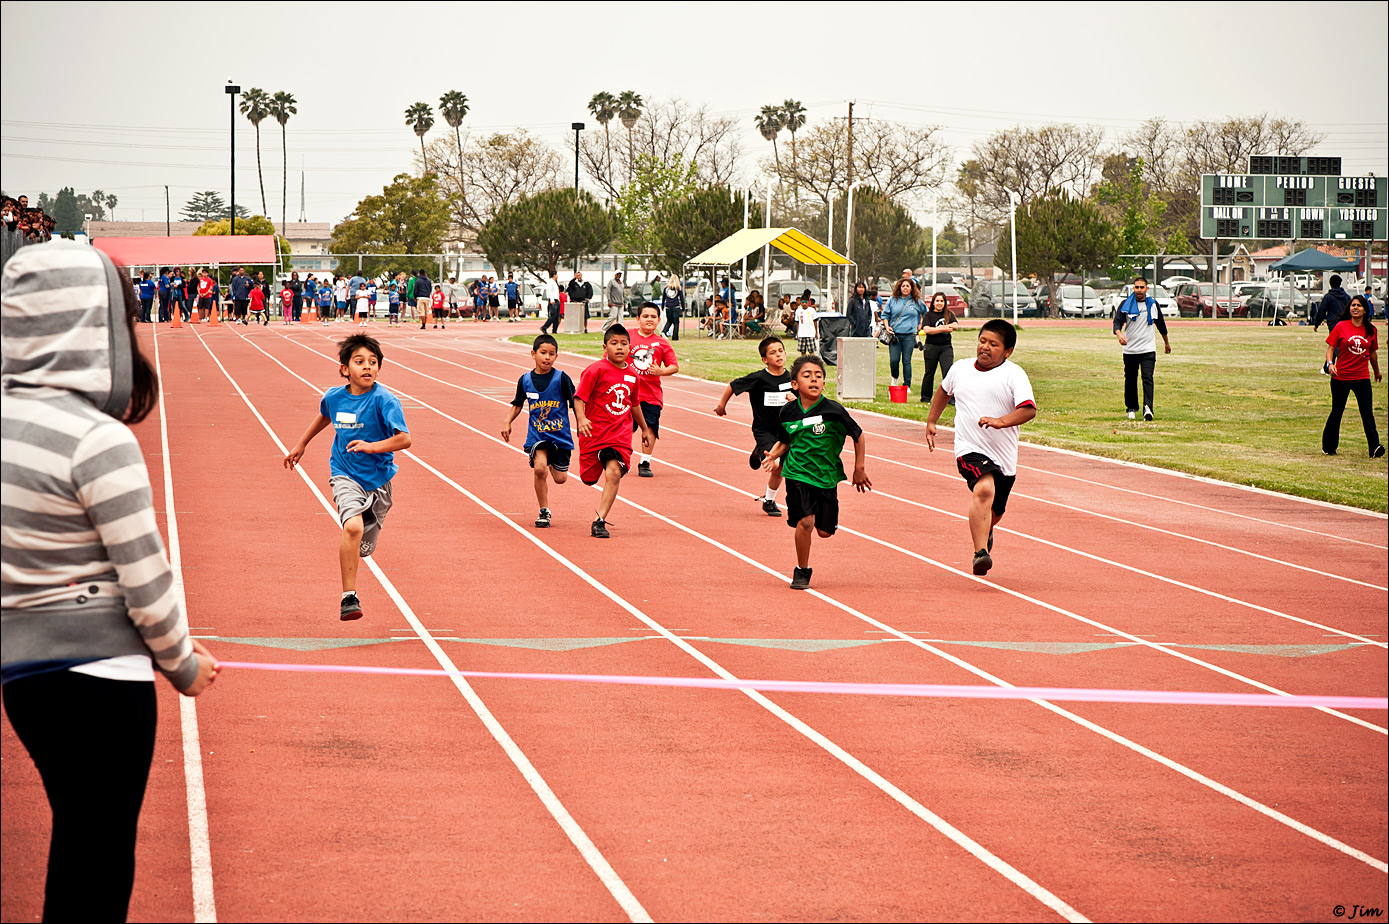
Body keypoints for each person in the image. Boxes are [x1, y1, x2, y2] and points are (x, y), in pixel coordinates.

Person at [1, 241, 219, 922]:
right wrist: (182, 662)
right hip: (101, 679)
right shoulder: (96, 440)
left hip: (23, 675)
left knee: (77, 841)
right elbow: (145, 575)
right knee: (97, 857)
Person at [283, 334, 411, 620]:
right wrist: (301, 444)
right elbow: (325, 415)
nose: (367, 367)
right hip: (344, 474)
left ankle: (367, 527)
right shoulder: (334, 397)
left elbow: (404, 439)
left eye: (373, 362)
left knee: (365, 536)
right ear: (344, 369)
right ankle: (348, 597)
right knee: (352, 527)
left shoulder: (385, 401)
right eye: (359, 361)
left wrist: (372, 447)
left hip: (379, 479)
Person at [925, 319, 1036, 576]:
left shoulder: (1014, 374)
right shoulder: (960, 369)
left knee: (994, 513)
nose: (985, 347)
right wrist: (931, 421)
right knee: (984, 489)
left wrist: (1001, 422)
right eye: (982, 341)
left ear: (1007, 351)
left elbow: (1028, 409)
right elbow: (943, 391)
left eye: (993, 344)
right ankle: (980, 553)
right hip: (969, 447)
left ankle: (987, 528)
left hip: (1004, 457)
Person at [759, 354, 871, 590]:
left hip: (826, 475)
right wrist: (774, 455)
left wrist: (858, 468)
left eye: (818, 376)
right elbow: (785, 440)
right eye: (807, 375)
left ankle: (827, 522)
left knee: (824, 532)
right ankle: (802, 570)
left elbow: (858, 435)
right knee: (805, 522)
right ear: (795, 384)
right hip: (797, 474)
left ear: (824, 383)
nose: (814, 380)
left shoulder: (834, 411)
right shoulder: (788, 412)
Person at [573, 323, 655, 538]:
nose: (619, 347)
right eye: (614, 343)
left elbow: (634, 404)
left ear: (630, 347)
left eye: (624, 343)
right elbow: (579, 398)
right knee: (588, 478)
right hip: (594, 434)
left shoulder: (633, 376)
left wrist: (645, 429)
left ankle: (599, 521)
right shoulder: (595, 370)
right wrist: (581, 418)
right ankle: (594, 467)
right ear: (605, 347)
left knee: (614, 472)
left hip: (619, 435)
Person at [713, 335, 796, 516]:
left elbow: (806, 400)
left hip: (786, 431)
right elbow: (733, 386)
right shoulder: (758, 378)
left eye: (781, 351)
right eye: (773, 353)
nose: (779, 355)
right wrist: (721, 406)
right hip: (764, 429)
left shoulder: (792, 379)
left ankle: (769, 501)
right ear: (765, 359)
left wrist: (796, 399)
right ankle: (761, 449)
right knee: (773, 465)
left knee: (782, 468)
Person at [502, 333, 576, 528]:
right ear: (533, 354)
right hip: (538, 436)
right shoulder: (525, 380)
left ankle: (553, 462)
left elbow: (576, 402)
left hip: (560, 437)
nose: (547, 357)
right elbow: (518, 404)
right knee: (540, 469)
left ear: (556, 357)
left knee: (560, 479)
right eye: (543, 353)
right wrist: (507, 422)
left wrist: (583, 420)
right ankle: (544, 511)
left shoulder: (562, 379)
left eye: (552, 354)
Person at [1322, 295, 1383, 457]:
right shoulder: (1341, 326)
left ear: (1365, 310)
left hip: (1361, 377)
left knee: (1367, 413)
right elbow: (1330, 348)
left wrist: (1377, 371)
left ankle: (1374, 448)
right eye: (1353, 305)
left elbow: (1373, 353)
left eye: (1359, 306)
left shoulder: (1371, 330)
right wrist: (1330, 364)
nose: (1355, 308)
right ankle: (1329, 446)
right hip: (1340, 377)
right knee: (1337, 411)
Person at [628, 301, 680, 477]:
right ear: (638, 319)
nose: (649, 319)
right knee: (625, 427)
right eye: (645, 316)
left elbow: (674, 366)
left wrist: (661, 371)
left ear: (658, 320)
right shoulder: (627, 337)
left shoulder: (662, 343)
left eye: (653, 317)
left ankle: (645, 462)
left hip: (651, 395)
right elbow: (611, 356)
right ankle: (621, 456)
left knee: (650, 427)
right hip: (627, 393)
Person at [1113, 276, 1171, 421]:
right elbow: (1117, 323)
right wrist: (1120, 335)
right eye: (1136, 287)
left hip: (1148, 349)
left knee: (1147, 378)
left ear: (1147, 289)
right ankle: (1131, 408)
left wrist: (1166, 343)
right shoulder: (1125, 304)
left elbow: (1161, 325)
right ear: (1133, 288)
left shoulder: (1152, 305)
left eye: (1142, 287)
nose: (1139, 290)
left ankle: (1148, 408)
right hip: (1130, 349)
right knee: (1130, 379)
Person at [882, 277, 925, 390]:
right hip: (895, 335)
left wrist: (921, 324)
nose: (905, 288)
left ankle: (907, 385)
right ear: (899, 288)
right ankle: (895, 377)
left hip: (909, 335)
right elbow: (885, 315)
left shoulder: (916, 302)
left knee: (906, 360)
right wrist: (887, 327)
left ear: (912, 288)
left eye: (908, 286)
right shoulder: (892, 300)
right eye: (903, 286)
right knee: (894, 360)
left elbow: (926, 313)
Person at [918, 290, 961, 402]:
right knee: (929, 372)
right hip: (931, 347)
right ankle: (925, 398)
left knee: (948, 372)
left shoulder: (949, 314)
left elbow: (955, 325)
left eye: (941, 301)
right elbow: (927, 329)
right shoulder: (928, 315)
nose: (939, 303)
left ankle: (950, 399)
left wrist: (937, 329)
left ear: (945, 302)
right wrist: (943, 328)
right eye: (937, 301)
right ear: (933, 303)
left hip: (946, 347)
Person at [1314, 274, 1353, 374]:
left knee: (1335, 345)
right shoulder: (1347, 297)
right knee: (1341, 344)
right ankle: (1327, 367)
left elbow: (1322, 311)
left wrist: (1316, 323)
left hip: (1333, 324)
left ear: (1330, 284)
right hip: (1345, 323)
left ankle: (1342, 364)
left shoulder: (1329, 297)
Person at [660, 274, 684, 340]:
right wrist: (683, 308)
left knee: (669, 321)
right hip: (675, 306)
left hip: (668, 306)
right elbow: (681, 298)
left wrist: (662, 306)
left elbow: (663, 298)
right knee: (676, 322)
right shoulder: (678, 288)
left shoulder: (666, 288)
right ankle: (675, 337)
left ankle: (663, 332)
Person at [539, 269, 561, 335]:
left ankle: (554, 330)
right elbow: (549, 291)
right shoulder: (550, 282)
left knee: (557, 316)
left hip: (557, 300)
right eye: (556, 274)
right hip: (553, 300)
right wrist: (552, 299)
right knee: (553, 316)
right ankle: (544, 327)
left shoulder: (555, 282)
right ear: (554, 275)